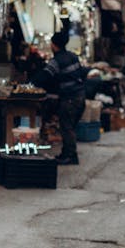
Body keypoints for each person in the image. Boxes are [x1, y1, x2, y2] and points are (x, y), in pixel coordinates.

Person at [30, 30, 87, 165]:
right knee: (70, 127)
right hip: (80, 96)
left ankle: (70, 156)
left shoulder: (56, 61)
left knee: (66, 127)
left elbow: (44, 76)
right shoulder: (73, 56)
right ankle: (67, 154)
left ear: (54, 45)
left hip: (70, 99)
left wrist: (29, 84)